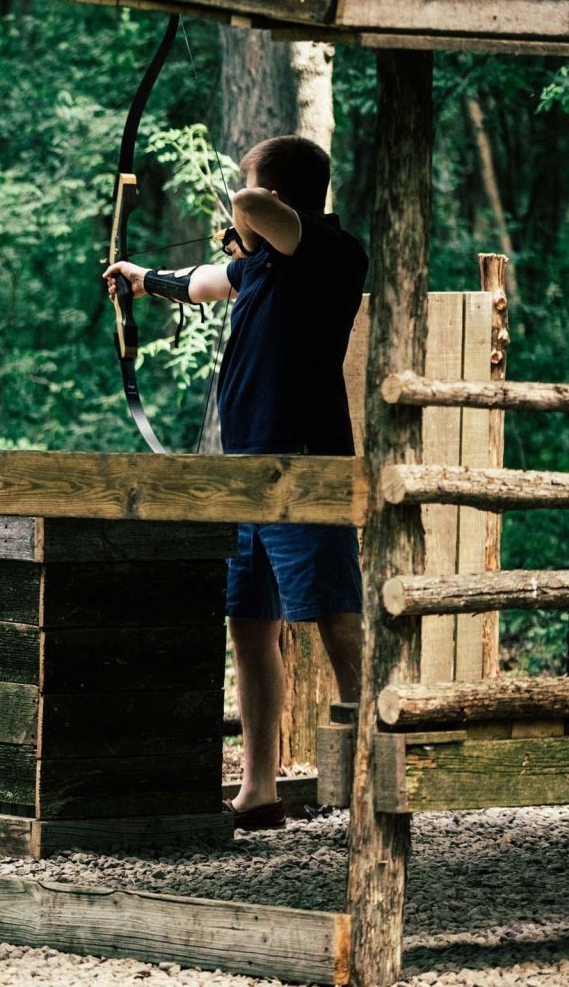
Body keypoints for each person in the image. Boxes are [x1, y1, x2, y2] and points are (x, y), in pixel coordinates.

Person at [102, 135, 368, 831]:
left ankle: (378, 777)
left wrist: (247, 214)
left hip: (301, 464)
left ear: (279, 199)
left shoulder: (330, 251)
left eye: (254, 198)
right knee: (251, 625)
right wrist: (142, 279)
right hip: (244, 470)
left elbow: (249, 202)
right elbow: (201, 281)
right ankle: (260, 790)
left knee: (336, 617)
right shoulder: (261, 267)